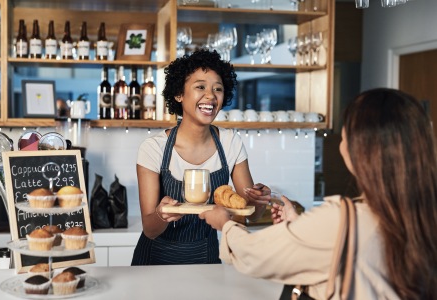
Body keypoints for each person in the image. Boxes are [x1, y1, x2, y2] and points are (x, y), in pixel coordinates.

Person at [200, 88, 437, 299]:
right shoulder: (424, 213)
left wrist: (226, 225)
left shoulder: (341, 219)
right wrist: (302, 225)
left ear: (361, 151)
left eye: (345, 137)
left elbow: (255, 255)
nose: (342, 142)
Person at [131, 49, 271, 265]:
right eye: (200, 87)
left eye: (218, 89)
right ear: (179, 94)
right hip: (155, 262)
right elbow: (150, 229)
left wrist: (259, 201)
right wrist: (162, 214)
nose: (210, 96)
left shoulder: (230, 143)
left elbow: (248, 215)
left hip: (206, 258)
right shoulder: (154, 148)